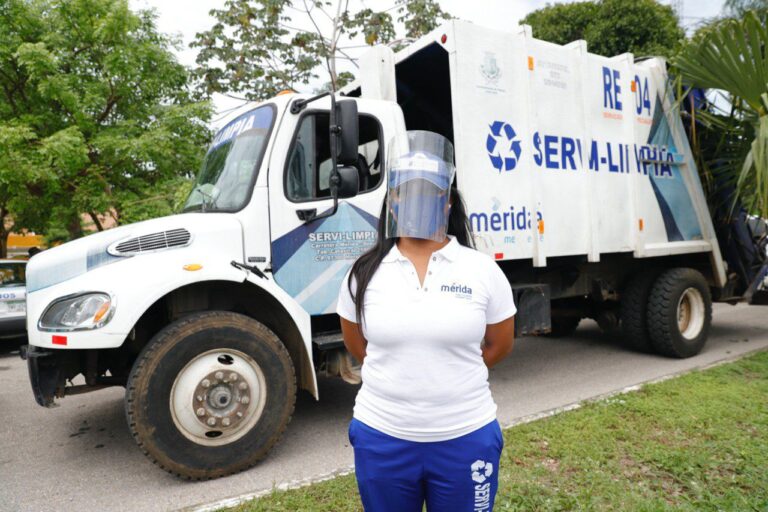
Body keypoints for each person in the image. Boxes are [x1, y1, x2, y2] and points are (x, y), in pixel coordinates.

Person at [336, 131, 517, 511]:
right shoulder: (364, 273)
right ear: (393, 200)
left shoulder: (481, 270)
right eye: (406, 191)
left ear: (446, 200)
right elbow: (358, 345)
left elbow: (500, 344)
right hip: (383, 437)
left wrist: (451, 370)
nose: (416, 201)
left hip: (465, 436)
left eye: (429, 191)